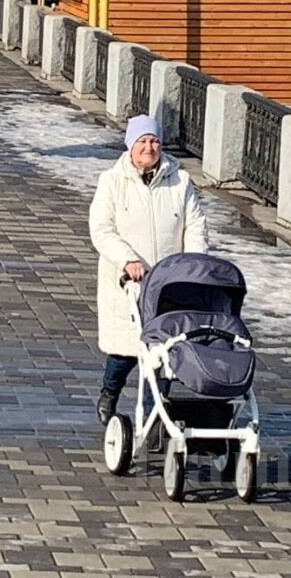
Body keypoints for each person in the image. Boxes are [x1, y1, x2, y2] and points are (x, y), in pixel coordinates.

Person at [88, 114, 209, 430]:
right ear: (130, 145)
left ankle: (153, 413)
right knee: (126, 351)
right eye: (142, 141)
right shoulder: (112, 181)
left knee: (164, 352)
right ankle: (109, 392)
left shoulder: (180, 182)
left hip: (170, 284)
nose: (149, 147)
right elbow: (101, 229)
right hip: (128, 283)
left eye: (154, 140)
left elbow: (195, 225)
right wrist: (127, 260)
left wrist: (193, 264)